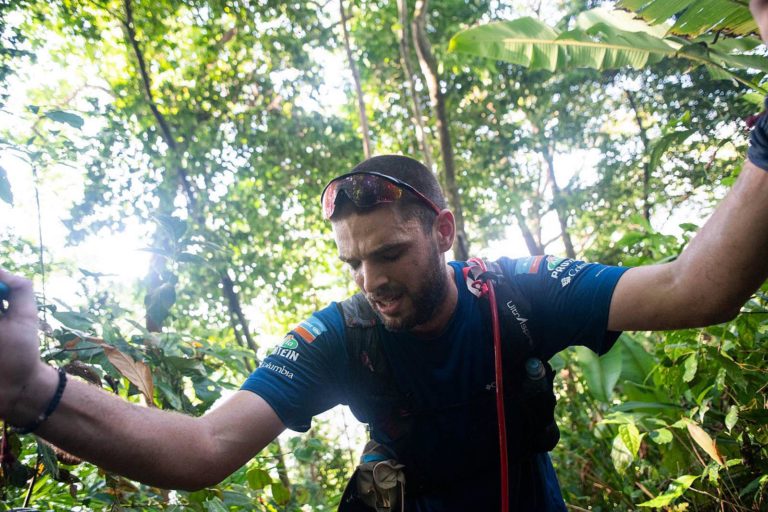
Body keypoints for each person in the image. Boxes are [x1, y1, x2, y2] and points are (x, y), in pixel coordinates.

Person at [3, 3, 768, 509]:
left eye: (392, 253)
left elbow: (696, 288)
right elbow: (204, 447)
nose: (374, 281)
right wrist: (31, 387)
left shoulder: (520, 294)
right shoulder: (341, 335)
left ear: (442, 232)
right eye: (355, 264)